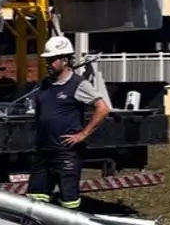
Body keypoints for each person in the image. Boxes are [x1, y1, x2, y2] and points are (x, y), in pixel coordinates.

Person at [27, 34, 110, 210]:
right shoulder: (45, 85)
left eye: (52, 60)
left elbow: (102, 108)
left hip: (66, 153)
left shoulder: (78, 84)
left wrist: (83, 134)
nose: (48, 64)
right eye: (47, 60)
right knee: (36, 196)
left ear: (65, 60)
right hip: (43, 151)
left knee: (69, 199)